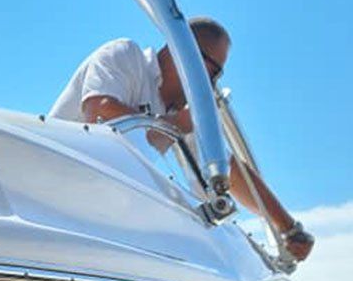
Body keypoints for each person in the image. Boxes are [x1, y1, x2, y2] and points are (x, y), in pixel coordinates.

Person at [50, 18, 314, 262]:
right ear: (186, 54)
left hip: (99, 224)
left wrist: (288, 228)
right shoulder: (125, 56)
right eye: (214, 73)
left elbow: (227, 169)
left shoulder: (181, 111)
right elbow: (99, 113)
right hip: (50, 205)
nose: (211, 85)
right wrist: (177, 125)